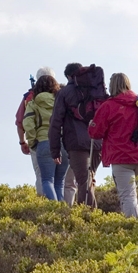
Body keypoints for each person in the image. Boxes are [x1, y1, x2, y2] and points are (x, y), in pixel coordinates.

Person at [88, 73, 138, 218]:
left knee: (127, 196)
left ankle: (133, 227)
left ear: (112, 85)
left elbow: (95, 133)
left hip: (120, 157)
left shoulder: (109, 106)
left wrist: (91, 126)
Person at [49, 63, 102, 207]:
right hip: (97, 142)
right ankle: (92, 216)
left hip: (76, 143)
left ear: (68, 76)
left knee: (84, 180)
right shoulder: (95, 89)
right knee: (88, 179)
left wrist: (55, 150)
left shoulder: (65, 93)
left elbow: (55, 122)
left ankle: (86, 218)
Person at [23, 75, 70, 201]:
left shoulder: (33, 103)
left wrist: (33, 142)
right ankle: (62, 212)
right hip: (63, 144)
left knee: (47, 180)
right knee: (60, 182)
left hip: (44, 142)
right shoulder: (62, 102)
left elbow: (28, 124)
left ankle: (53, 210)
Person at [16, 66, 55, 196]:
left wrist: (25, 142)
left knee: (42, 175)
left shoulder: (29, 97)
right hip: (60, 140)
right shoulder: (60, 95)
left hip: (39, 142)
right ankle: (64, 208)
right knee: (61, 179)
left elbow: (21, 121)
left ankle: (44, 205)